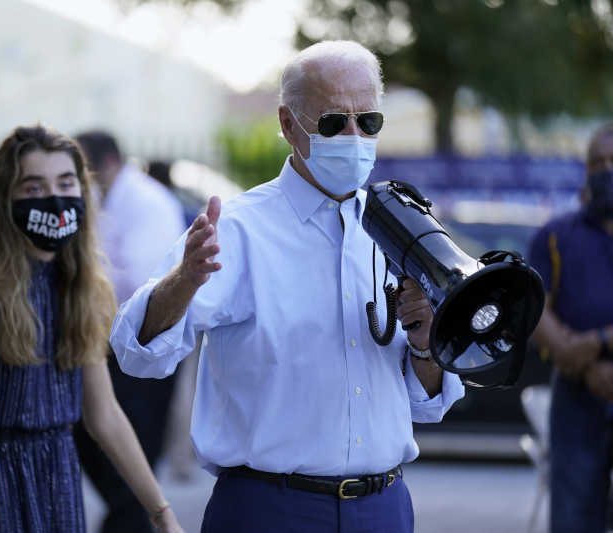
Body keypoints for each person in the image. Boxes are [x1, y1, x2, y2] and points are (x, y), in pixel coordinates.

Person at [110, 40, 464, 532]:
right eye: (333, 121)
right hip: (270, 509)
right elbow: (136, 352)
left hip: (383, 506)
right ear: (287, 124)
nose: (354, 134)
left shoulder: (404, 229)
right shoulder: (237, 229)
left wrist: (426, 344)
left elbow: (426, 404)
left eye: (369, 121)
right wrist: (184, 281)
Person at [0, 125, 184, 533]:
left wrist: (162, 513)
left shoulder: (81, 284)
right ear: (5, 198)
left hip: (56, 481)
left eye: (66, 182)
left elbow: (105, 416)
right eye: (34, 187)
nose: (54, 198)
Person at [72, 131, 186, 532]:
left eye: (78, 169)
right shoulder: (111, 198)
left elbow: (141, 287)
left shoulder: (146, 202)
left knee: (128, 479)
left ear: (106, 164)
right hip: (104, 348)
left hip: (136, 355)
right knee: (105, 461)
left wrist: (76, 283)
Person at [529, 123, 613, 533]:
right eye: (597, 162)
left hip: (587, 360)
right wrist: (583, 362)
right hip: (576, 394)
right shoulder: (556, 235)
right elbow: (536, 308)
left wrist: (598, 341)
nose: (606, 170)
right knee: (573, 518)